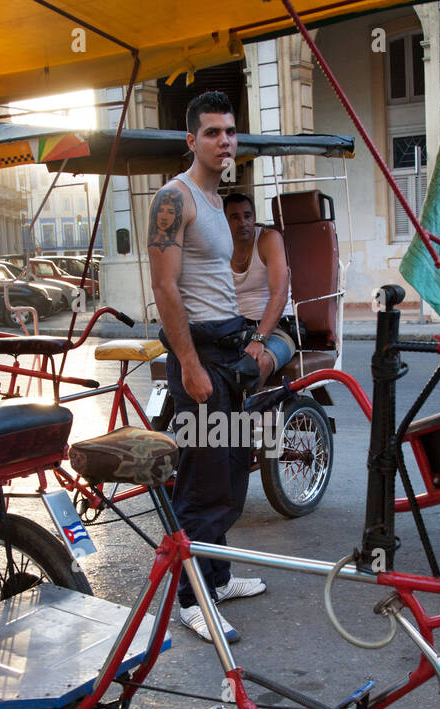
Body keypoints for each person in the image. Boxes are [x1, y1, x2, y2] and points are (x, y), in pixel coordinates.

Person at [149, 91, 265, 644]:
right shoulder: (175, 198)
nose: (225, 140)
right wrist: (189, 366)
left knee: (233, 472)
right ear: (191, 140)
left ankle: (215, 575)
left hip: (229, 353)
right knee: (201, 482)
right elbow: (165, 287)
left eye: (231, 131)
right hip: (199, 358)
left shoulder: (218, 202)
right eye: (213, 132)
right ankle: (193, 600)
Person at [224, 192, 293, 380]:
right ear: (223, 221)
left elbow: (279, 294)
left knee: (255, 365)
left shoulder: (268, 239)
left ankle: (246, 411)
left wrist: (259, 338)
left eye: (247, 216)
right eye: (235, 217)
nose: (243, 223)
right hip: (235, 330)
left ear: (254, 217)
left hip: (276, 329)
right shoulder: (219, 246)